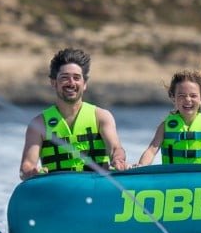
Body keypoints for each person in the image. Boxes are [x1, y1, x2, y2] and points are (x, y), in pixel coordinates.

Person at [19, 48, 127, 179]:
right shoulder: (38, 124)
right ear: (53, 82)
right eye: (65, 78)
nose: (71, 83)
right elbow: (26, 166)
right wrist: (31, 172)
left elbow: (116, 149)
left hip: (97, 186)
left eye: (76, 78)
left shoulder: (101, 117)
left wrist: (118, 159)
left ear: (84, 83)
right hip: (58, 188)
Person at [135, 69, 201, 166]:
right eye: (182, 96)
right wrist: (141, 165)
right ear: (173, 98)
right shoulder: (164, 127)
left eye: (193, 96)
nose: (188, 99)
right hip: (174, 175)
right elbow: (151, 151)